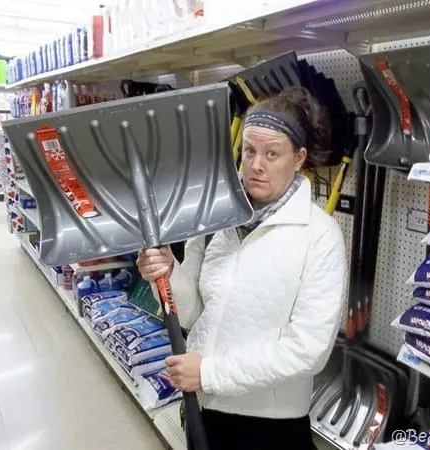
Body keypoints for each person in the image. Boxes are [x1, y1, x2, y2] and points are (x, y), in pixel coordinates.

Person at [137, 86, 347, 450]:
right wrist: (168, 273)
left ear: (298, 158)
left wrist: (209, 372)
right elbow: (193, 314)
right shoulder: (216, 218)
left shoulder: (319, 235)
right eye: (249, 150)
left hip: (269, 427)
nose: (256, 165)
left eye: (272, 153)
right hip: (202, 408)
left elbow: (307, 350)